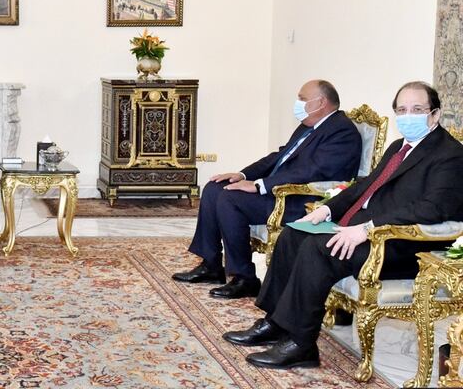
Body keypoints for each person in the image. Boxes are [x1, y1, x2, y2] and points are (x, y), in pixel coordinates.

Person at [223, 82, 463, 370]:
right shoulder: (399, 146)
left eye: (417, 109)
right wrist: (327, 209)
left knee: (318, 248)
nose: (407, 116)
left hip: (400, 245)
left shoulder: (450, 154)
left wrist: (368, 228)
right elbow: (367, 185)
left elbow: (433, 208)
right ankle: (277, 323)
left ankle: (302, 344)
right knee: (293, 234)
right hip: (365, 231)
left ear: (434, 115)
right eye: (402, 110)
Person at [173, 80, 362, 300]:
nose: (297, 103)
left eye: (302, 98)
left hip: (304, 201)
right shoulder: (308, 126)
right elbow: (279, 157)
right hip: (280, 190)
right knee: (214, 188)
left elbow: (312, 171)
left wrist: (258, 185)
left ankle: (245, 278)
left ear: (320, 102)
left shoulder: (341, 131)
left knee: (230, 199)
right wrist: (243, 175)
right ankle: (212, 266)